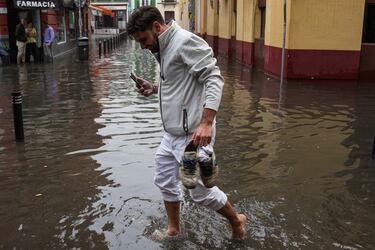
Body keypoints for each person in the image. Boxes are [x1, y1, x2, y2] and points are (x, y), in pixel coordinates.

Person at [126, 7, 247, 239]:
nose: (142, 46)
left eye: (143, 40)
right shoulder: (164, 47)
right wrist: (154, 88)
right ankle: (174, 229)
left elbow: (214, 78)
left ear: (157, 27)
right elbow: (179, 83)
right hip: (171, 134)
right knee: (164, 179)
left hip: (193, 135)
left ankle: (236, 220)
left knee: (200, 193)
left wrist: (206, 123)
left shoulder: (184, 42)